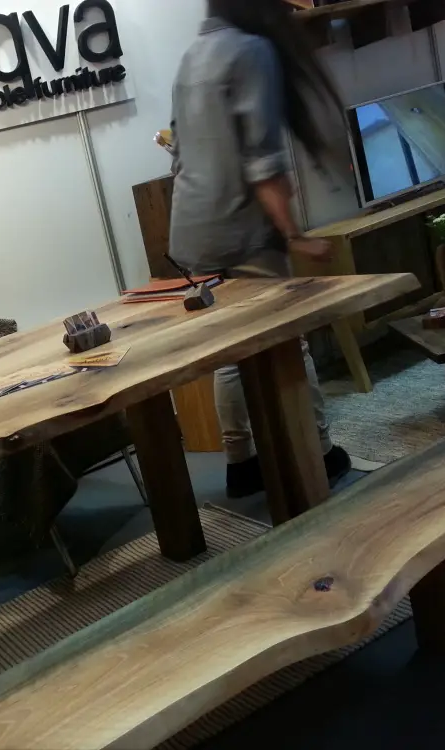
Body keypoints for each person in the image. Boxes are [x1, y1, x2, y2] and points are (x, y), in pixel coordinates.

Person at [167, 0, 352, 498]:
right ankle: (319, 452)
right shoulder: (251, 51)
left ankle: (241, 464)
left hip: (193, 232)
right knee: (291, 340)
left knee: (229, 352)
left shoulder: (191, 56)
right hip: (243, 231)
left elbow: (177, 151)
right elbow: (262, 163)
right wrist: (294, 235)